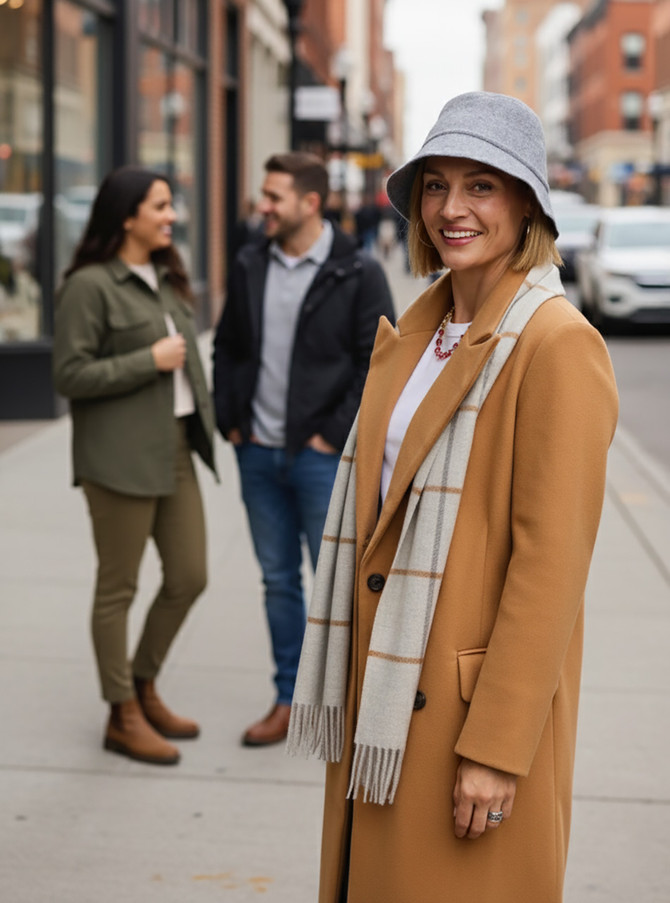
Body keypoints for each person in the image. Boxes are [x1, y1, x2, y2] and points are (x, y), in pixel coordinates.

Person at [287, 92, 618, 903]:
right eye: (436, 185)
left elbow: (551, 567)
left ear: (527, 203)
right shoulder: (420, 327)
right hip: (384, 695)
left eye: (482, 185)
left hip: (459, 717)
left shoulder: (555, 342)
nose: (451, 209)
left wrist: (498, 748)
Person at [212, 151, 395, 747]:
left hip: (322, 457)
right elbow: (228, 348)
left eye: (273, 197)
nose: (262, 206)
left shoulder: (358, 272)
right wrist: (230, 421)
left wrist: (330, 437)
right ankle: (289, 697)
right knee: (277, 580)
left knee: (337, 580)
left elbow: (378, 365)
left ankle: (347, 702)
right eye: (263, 195)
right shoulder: (247, 263)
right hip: (258, 452)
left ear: (310, 204)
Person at [53, 166, 218, 766]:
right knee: (117, 587)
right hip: (117, 456)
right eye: (160, 206)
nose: (171, 216)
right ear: (126, 216)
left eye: (171, 206)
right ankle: (121, 713)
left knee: (189, 575)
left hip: (173, 447)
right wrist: (145, 360)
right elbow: (68, 375)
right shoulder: (90, 286)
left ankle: (143, 683)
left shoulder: (167, 278)